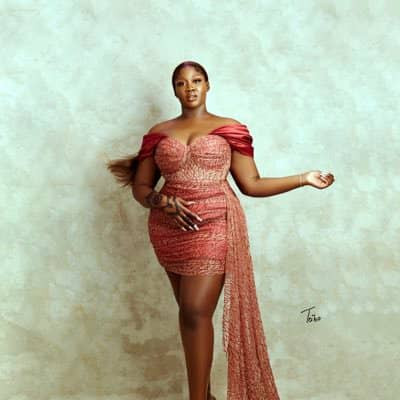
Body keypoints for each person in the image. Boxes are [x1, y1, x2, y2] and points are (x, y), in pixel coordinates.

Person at [106, 60, 335, 400]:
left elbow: (251, 184)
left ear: (208, 85)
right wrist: (161, 201)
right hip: (168, 228)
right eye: (182, 83)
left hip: (215, 224)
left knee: (194, 311)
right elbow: (141, 188)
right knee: (191, 316)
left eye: (197, 80)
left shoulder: (229, 128)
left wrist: (304, 178)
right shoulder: (159, 132)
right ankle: (206, 396)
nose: (190, 88)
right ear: (174, 90)